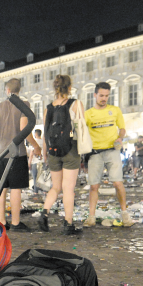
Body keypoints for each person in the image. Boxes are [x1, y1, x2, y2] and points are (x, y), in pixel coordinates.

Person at [0, 78, 41, 231]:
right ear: (19, 90)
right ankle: (16, 222)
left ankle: (2, 221)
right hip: (17, 151)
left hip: (1, 153)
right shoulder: (24, 105)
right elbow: (24, 128)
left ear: (7, 91)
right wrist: (36, 146)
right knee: (16, 188)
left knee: (2, 187)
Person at [82, 82, 135, 228]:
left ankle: (125, 214)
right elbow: (81, 131)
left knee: (118, 183)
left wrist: (120, 137)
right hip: (95, 153)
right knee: (94, 186)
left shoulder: (115, 110)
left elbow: (122, 129)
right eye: (101, 95)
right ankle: (91, 217)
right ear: (95, 95)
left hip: (112, 151)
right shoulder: (88, 114)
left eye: (106, 96)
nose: (104, 98)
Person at [36, 76, 83, 235]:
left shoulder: (47, 108)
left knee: (55, 187)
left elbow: (45, 133)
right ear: (69, 87)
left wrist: (45, 154)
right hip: (71, 150)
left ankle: (44, 213)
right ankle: (68, 224)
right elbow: (82, 128)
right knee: (68, 188)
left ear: (55, 88)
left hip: (53, 152)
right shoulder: (76, 104)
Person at [29, 128, 44, 195]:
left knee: (35, 178)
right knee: (42, 178)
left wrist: (29, 162)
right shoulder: (43, 142)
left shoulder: (35, 142)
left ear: (35, 134)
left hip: (35, 162)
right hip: (42, 161)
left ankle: (36, 192)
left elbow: (32, 153)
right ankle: (43, 191)